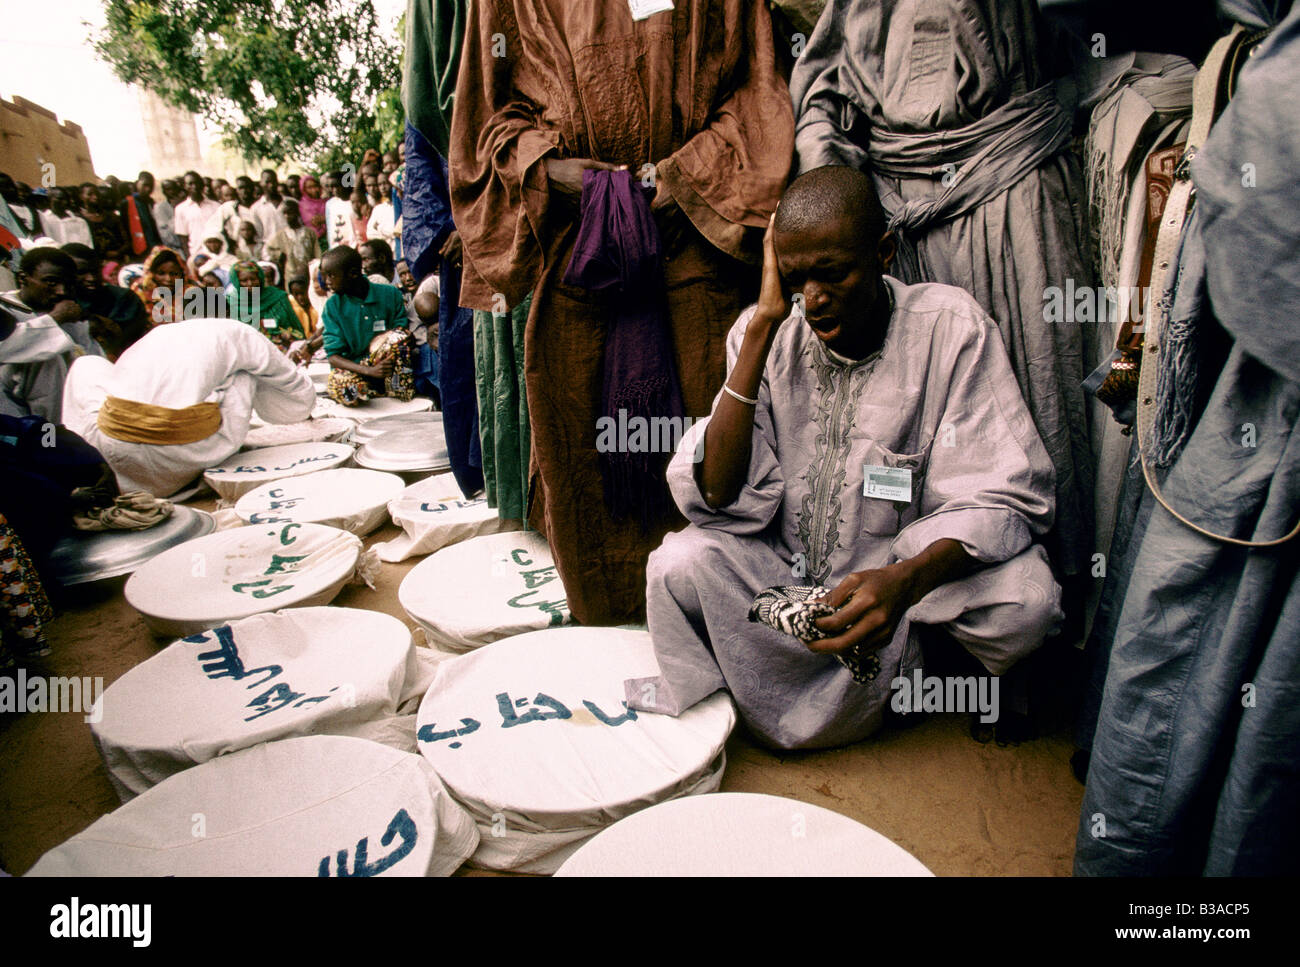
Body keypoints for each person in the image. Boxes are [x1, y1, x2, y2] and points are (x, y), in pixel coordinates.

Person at [624, 166, 1061, 749]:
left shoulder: (949, 328)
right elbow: (721, 493)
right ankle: (720, 706)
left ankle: (932, 674)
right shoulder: (766, 333)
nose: (814, 300)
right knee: (676, 563)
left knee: (1028, 600)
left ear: (882, 253)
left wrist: (904, 582)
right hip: (785, 587)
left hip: (900, 597)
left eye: (831, 276)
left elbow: (1007, 493)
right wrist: (761, 328)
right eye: (796, 278)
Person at [448, 0, 794, 624]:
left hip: (697, 251)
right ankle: (609, 637)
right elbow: (486, 117)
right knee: (587, 464)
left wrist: (682, 176)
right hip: (581, 254)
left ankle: (714, 636)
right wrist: (549, 169)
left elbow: (756, 93)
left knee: (704, 452)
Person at [790, 0, 1095, 594]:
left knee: (1039, 404)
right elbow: (823, 94)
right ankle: (910, 590)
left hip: (1012, 191)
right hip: (893, 213)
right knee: (911, 420)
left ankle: (1048, 599)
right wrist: (836, 206)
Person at [61, 295, 316, 497]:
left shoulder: (159, 335)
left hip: (112, 453)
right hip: (179, 459)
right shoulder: (237, 331)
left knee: (86, 366)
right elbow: (299, 401)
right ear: (227, 314)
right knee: (245, 373)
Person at [318, 245, 413, 405]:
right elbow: (333, 357)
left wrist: (380, 355)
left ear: (353, 274)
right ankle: (367, 392)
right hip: (354, 370)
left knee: (398, 339)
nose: (327, 282)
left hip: (386, 365)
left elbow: (401, 333)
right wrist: (369, 371)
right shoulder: (333, 306)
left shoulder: (390, 294)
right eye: (325, 276)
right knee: (345, 388)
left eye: (331, 276)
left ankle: (397, 392)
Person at [0, 247, 85, 421]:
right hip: (10, 409)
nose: (61, 291)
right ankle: (51, 434)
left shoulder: (68, 312)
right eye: (51, 282)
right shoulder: (3, 307)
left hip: (69, 407)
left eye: (68, 285)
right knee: (45, 355)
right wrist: (54, 320)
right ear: (23, 278)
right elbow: (4, 348)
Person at [226, 259, 302, 350]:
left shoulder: (278, 297)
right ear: (236, 282)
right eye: (244, 281)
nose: (250, 284)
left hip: (281, 349)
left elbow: (295, 328)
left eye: (253, 279)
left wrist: (285, 335)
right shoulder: (230, 302)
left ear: (260, 278)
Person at [131, 246, 194, 325]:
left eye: (174, 274)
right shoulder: (140, 291)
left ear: (182, 273)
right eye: (161, 273)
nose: (168, 279)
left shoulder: (191, 292)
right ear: (152, 274)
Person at [264, 198, 320, 285]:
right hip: (291, 274)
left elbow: (317, 252)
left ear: (297, 213)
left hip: (309, 272)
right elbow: (270, 249)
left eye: (290, 213)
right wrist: (280, 255)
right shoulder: (281, 235)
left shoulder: (309, 232)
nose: (287, 216)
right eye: (285, 213)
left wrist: (315, 266)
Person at [173, 171, 220, 258]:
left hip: (218, 253)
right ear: (185, 186)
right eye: (190, 184)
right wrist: (189, 258)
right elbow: (183, 238)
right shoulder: (180, 209)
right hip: (197, 255)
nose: (194, 186)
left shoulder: (216, 206)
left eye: (196, 183)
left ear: (201, 184)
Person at [79, 184, 127, 266]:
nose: (95, 197)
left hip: (118, 260)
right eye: (90, 194)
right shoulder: (79, 219)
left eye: (97, 194)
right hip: (96, 263)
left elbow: (125, 239)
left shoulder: (111, 216)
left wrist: (119, 252)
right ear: (81, 196)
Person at [120, 171, 161, 260]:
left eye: (151, 186)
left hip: (155, 247)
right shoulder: (127, 203)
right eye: (145, 185)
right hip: (138, 250)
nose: (148, 189)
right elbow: (124, 228)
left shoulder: (151, 203)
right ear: (138, 183)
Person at [253, 169, 288, 240]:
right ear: (261, 183)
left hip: (292, 246)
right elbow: (258, 234)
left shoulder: (290, 202)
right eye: (267, 182)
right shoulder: (256, 208)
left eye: (274, 181)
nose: (271, 185)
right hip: (271, 248)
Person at [324, 172, 354, 248]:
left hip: (353, 243)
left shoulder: (353, 201)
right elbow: (330, 227)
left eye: (337, 186)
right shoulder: (330, 204)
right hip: (337, 245)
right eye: (331, 187)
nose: (334, 190)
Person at [153, 179, 184, 250]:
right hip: (174, 247)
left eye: (174, 189)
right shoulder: (160, 208)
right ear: (164, 192)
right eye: (168, 189)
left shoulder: (184, 205)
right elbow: (165, 233)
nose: (172, 192)